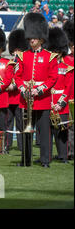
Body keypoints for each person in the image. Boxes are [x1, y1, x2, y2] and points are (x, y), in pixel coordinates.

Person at [15, 13, 58, 168]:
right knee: (26, 132)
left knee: (44, 132)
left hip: (42, 99)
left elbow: (53, 78)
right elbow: (17, 76)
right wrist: (22, 88)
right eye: (30, 37)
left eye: (34, 37)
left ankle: (45, 160)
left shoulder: (50, 57)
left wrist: (40, 90)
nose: (31, 39)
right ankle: (25, 160)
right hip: (25, 99)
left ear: (41, 38)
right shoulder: (22, 56)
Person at [46, 27, 72, 163]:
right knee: (48, 132)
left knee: (61, 131)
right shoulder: (48, 65)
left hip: (61, 102)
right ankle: (47, 156)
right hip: (48, 101)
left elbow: (68, 87)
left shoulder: (67, 65)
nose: (56, 54)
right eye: (53, 51)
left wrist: (60, 103)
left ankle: (63, 156)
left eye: (58, 51)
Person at [5, 29, 28, 152]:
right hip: (10, 97)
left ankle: (20, 145)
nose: (16, 53)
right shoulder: (10, 63)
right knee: (8, 121)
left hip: (20, 96)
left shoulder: (25, 63)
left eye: (18, 50)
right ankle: (7, 144)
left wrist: (15, 85)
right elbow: (8, 77)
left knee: (20, 123)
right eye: (14, 50)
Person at [62, 21, 74, 160]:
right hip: (70, 97)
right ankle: (71, 152)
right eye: (71, 45)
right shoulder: (66, 59)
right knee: (70, 126)